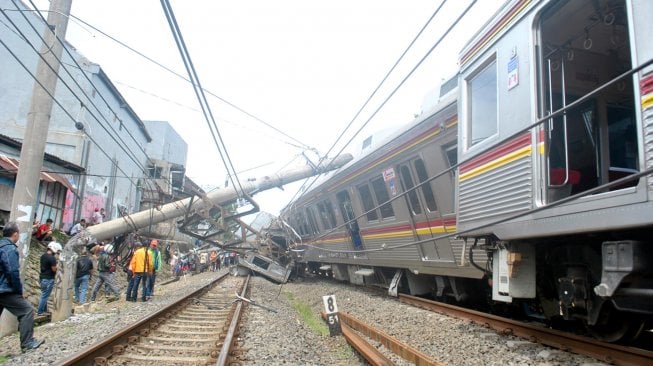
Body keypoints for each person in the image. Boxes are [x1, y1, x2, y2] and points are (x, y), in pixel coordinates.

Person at [0, 222, 45, 352]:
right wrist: (18, 290)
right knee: (27, 310)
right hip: (5, 290)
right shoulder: (10, 249)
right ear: (15, 234)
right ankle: (27, 343)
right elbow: (12, 271)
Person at [37, 241, 61, 315]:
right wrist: (58, 266)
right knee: (44, 296)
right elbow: (54, 269)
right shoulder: (52, 258)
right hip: (48, 279)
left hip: (42, 278)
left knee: (44, 295)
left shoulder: (43, 256)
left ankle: (44, 311)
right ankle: (40, 312)